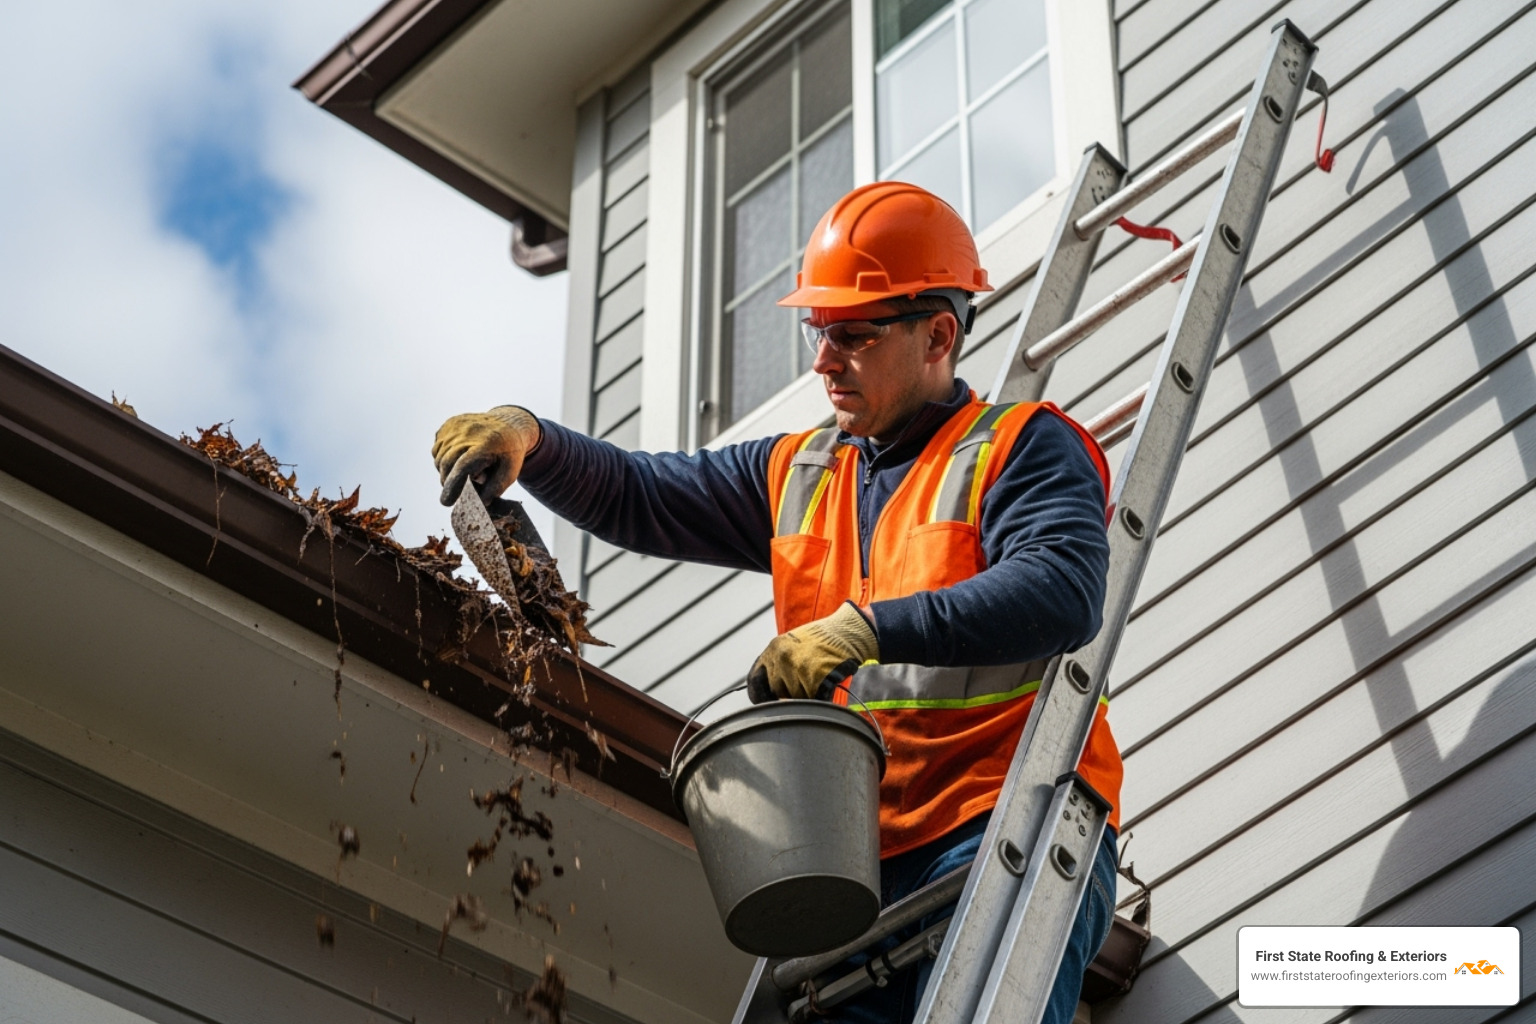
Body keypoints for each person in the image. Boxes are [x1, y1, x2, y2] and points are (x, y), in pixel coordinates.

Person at [432, 182, 1123, 1024]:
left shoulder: (1021, 448)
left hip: (1000, 824)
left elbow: (1062, 588)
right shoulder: (801, 471)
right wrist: (530, 441)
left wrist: (866, 628)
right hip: (852, 860)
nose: (823, 361)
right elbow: (643, 495)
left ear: (939, 334)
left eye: (852, 336)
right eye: (817, 331)